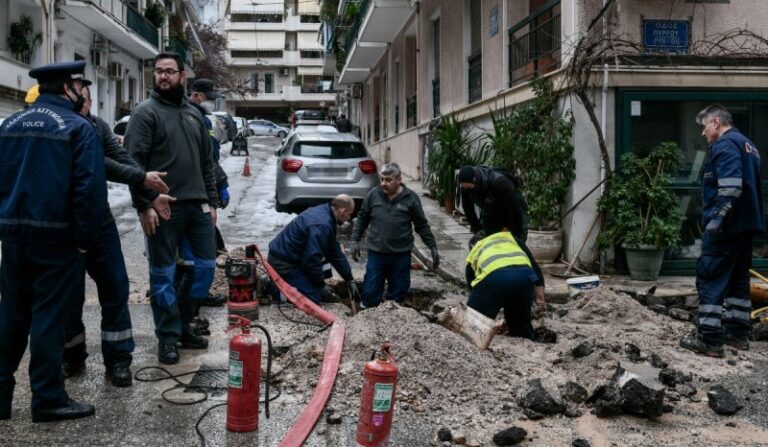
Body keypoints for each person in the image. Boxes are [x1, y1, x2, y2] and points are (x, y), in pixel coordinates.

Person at [0, 61, 106, 422]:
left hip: (14, 237)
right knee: (48, 317)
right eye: (80, 86)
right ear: (67, 88)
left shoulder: (10, 125)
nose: (82, 93)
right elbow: (89, 192)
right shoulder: (78, 128)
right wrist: (84, 241)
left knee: (12, 314)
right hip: (57, 240)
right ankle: (46, 397)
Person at [60, 85, 171, 386]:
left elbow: (121, 157)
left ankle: (118, 360)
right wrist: (141, 177)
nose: (83, 100)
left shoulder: (97, 125)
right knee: (69, 296)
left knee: (116, 288)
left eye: (85, 95)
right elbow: (98, 164)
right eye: (76, 94)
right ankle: (71, 355)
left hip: (100, 223)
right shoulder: (64, 126)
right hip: (66, 225)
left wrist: (148, 189)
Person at [124, 52, 219, 365]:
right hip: (163, 208)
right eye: (159, 71)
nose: (164, 76)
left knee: (206, 269)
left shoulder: (193, 114)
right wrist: (144, 203)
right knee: (163, 275)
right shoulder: (145, 113)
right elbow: (132, 164)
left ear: (182, 75)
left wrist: (212, 201)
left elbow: (208, 162)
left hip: (198, 207)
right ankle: (168, 337)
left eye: (170, 71)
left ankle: (182, 325)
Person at [680, 104, 764, 358]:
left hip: (726, 229)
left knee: (710, 277)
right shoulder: (748, 146)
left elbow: (730, 187)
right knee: (738, 281)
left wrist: (716, 220)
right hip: (745, 227)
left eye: (705, 126)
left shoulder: (725, 145)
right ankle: (738, 334)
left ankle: (710, 340)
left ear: (716, 122)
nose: (703, 133)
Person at [458, 165, 546, 315]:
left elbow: (516, 211)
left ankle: (531, 301)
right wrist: (477, 227)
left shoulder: (501, 183)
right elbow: (467, 207)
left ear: (476, 181)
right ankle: (496, 295)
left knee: (518, 255)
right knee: (493, 252)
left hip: (513, 216)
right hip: (491, 214)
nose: (467, 190)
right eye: (465, 188)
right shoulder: (466, 185)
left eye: (470, 187)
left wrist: (514, 237)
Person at [350, 163, 439, 308]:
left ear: (399, 179)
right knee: (370, 292)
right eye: (382, 179)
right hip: (376, 254)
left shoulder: (411, 198)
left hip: (401, 255)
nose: (384, 183)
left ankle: (393, 324)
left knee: (398, 295)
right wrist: (354, 240)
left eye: (388, 180)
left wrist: (432, 246)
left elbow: (421, 225)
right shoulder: (373, 195)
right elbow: (362, 219)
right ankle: (366, 323)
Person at [268, 195, 360, 304]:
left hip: (293, 257)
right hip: (283, 262)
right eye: (349, 214)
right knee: (312, 299)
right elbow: (311, 260)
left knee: (315, 286)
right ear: (342, 211)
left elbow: (334, 252)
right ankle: (272, 289)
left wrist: (349, 279)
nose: (349, 218)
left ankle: (287, 283)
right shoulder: (322, 225)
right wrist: (320, 286)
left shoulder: (325, 213)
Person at [465, 231, 543, 339]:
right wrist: (540, 298)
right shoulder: (511, 238)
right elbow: (535, 267)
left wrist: (489, 307)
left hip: (496, 279)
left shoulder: (476, 248)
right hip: (526, 277)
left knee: (474, 321)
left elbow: (473, 288)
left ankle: (475, 343)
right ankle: (526, 342)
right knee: (520, 324)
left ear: (472, 245)